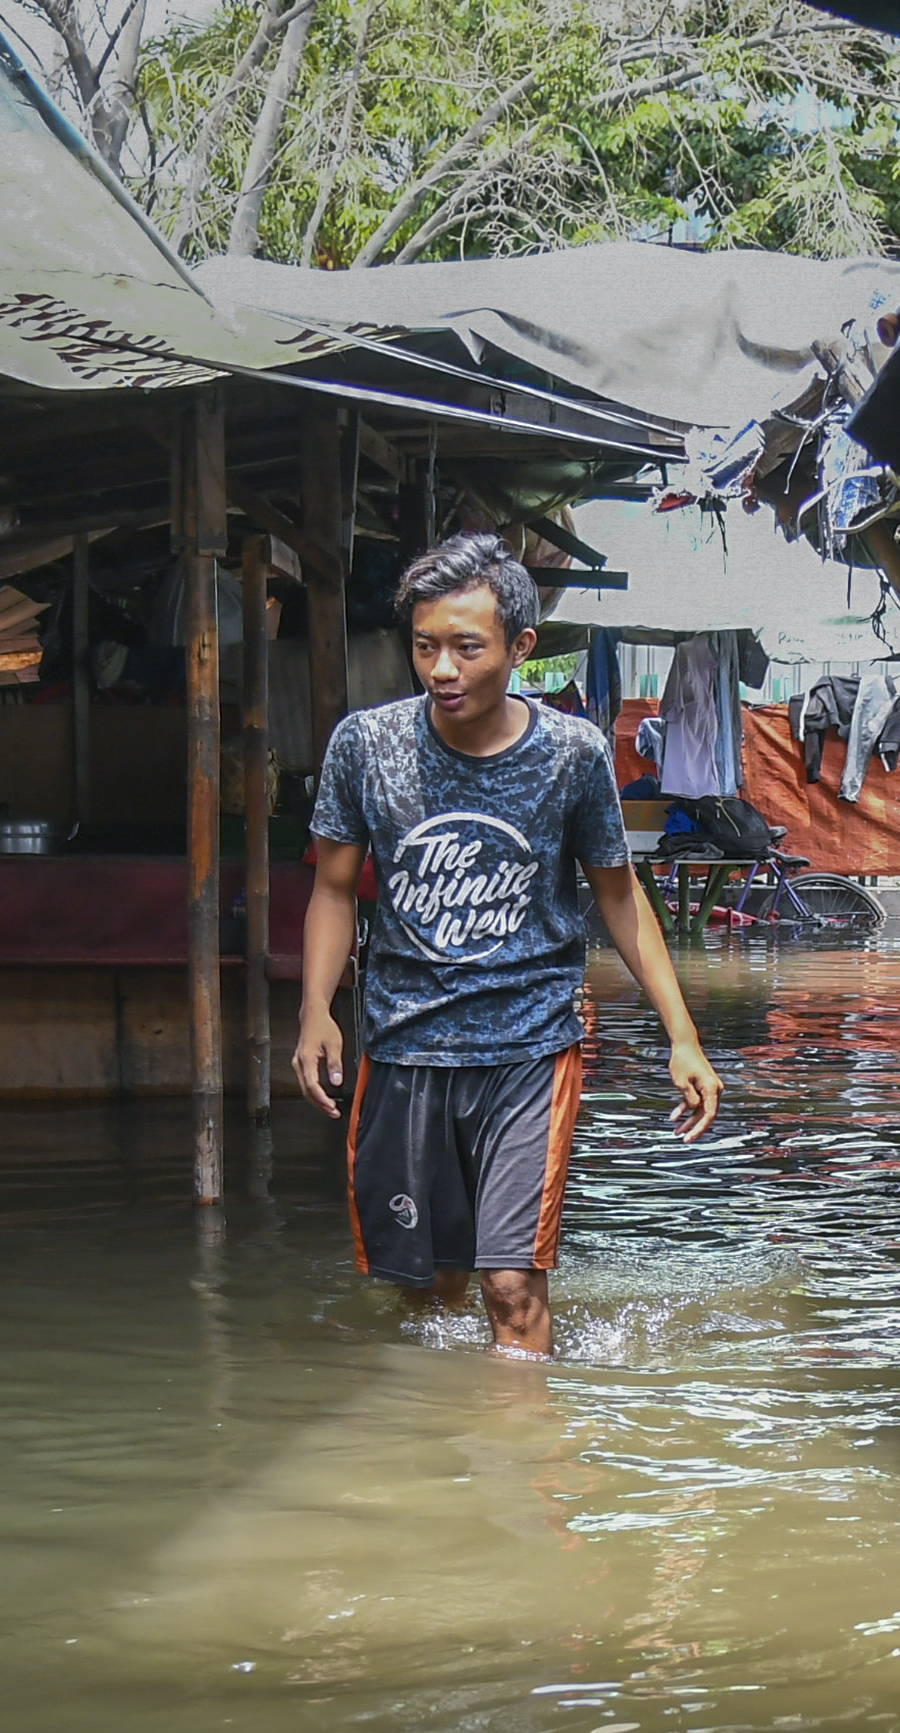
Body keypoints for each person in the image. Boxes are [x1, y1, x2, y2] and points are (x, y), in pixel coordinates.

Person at [292, 534, 721, 1357]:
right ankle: (449, 1465)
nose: (442, 669)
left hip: (529, 1048)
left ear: (521, 647)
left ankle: (525, 1475)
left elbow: (619, 897)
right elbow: (336, 887)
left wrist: (683, 1036)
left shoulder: (573, 755)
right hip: (405, 1045)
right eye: (425, 647)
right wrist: (316, 1008)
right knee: (426, 1289)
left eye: (465, 647)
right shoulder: (366, 745)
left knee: (511, 1289)